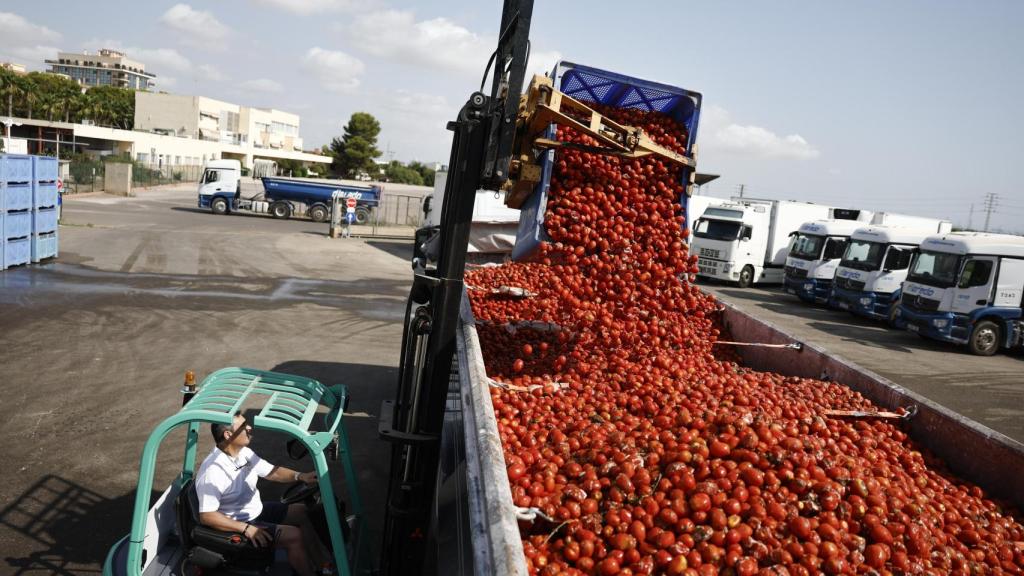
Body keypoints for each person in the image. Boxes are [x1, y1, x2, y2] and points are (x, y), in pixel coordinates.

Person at [195, 412, 330, 576]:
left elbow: (272, 472)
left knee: (304, 512)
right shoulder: (213, 471)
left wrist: (300, 476)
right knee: (294, 536)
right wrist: (247, 529)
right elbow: (207, 516)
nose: (249, 428)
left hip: (255, 511)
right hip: (239, 524)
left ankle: (324, 566)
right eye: (244, 426)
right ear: (228, 434)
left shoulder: (243, 453)